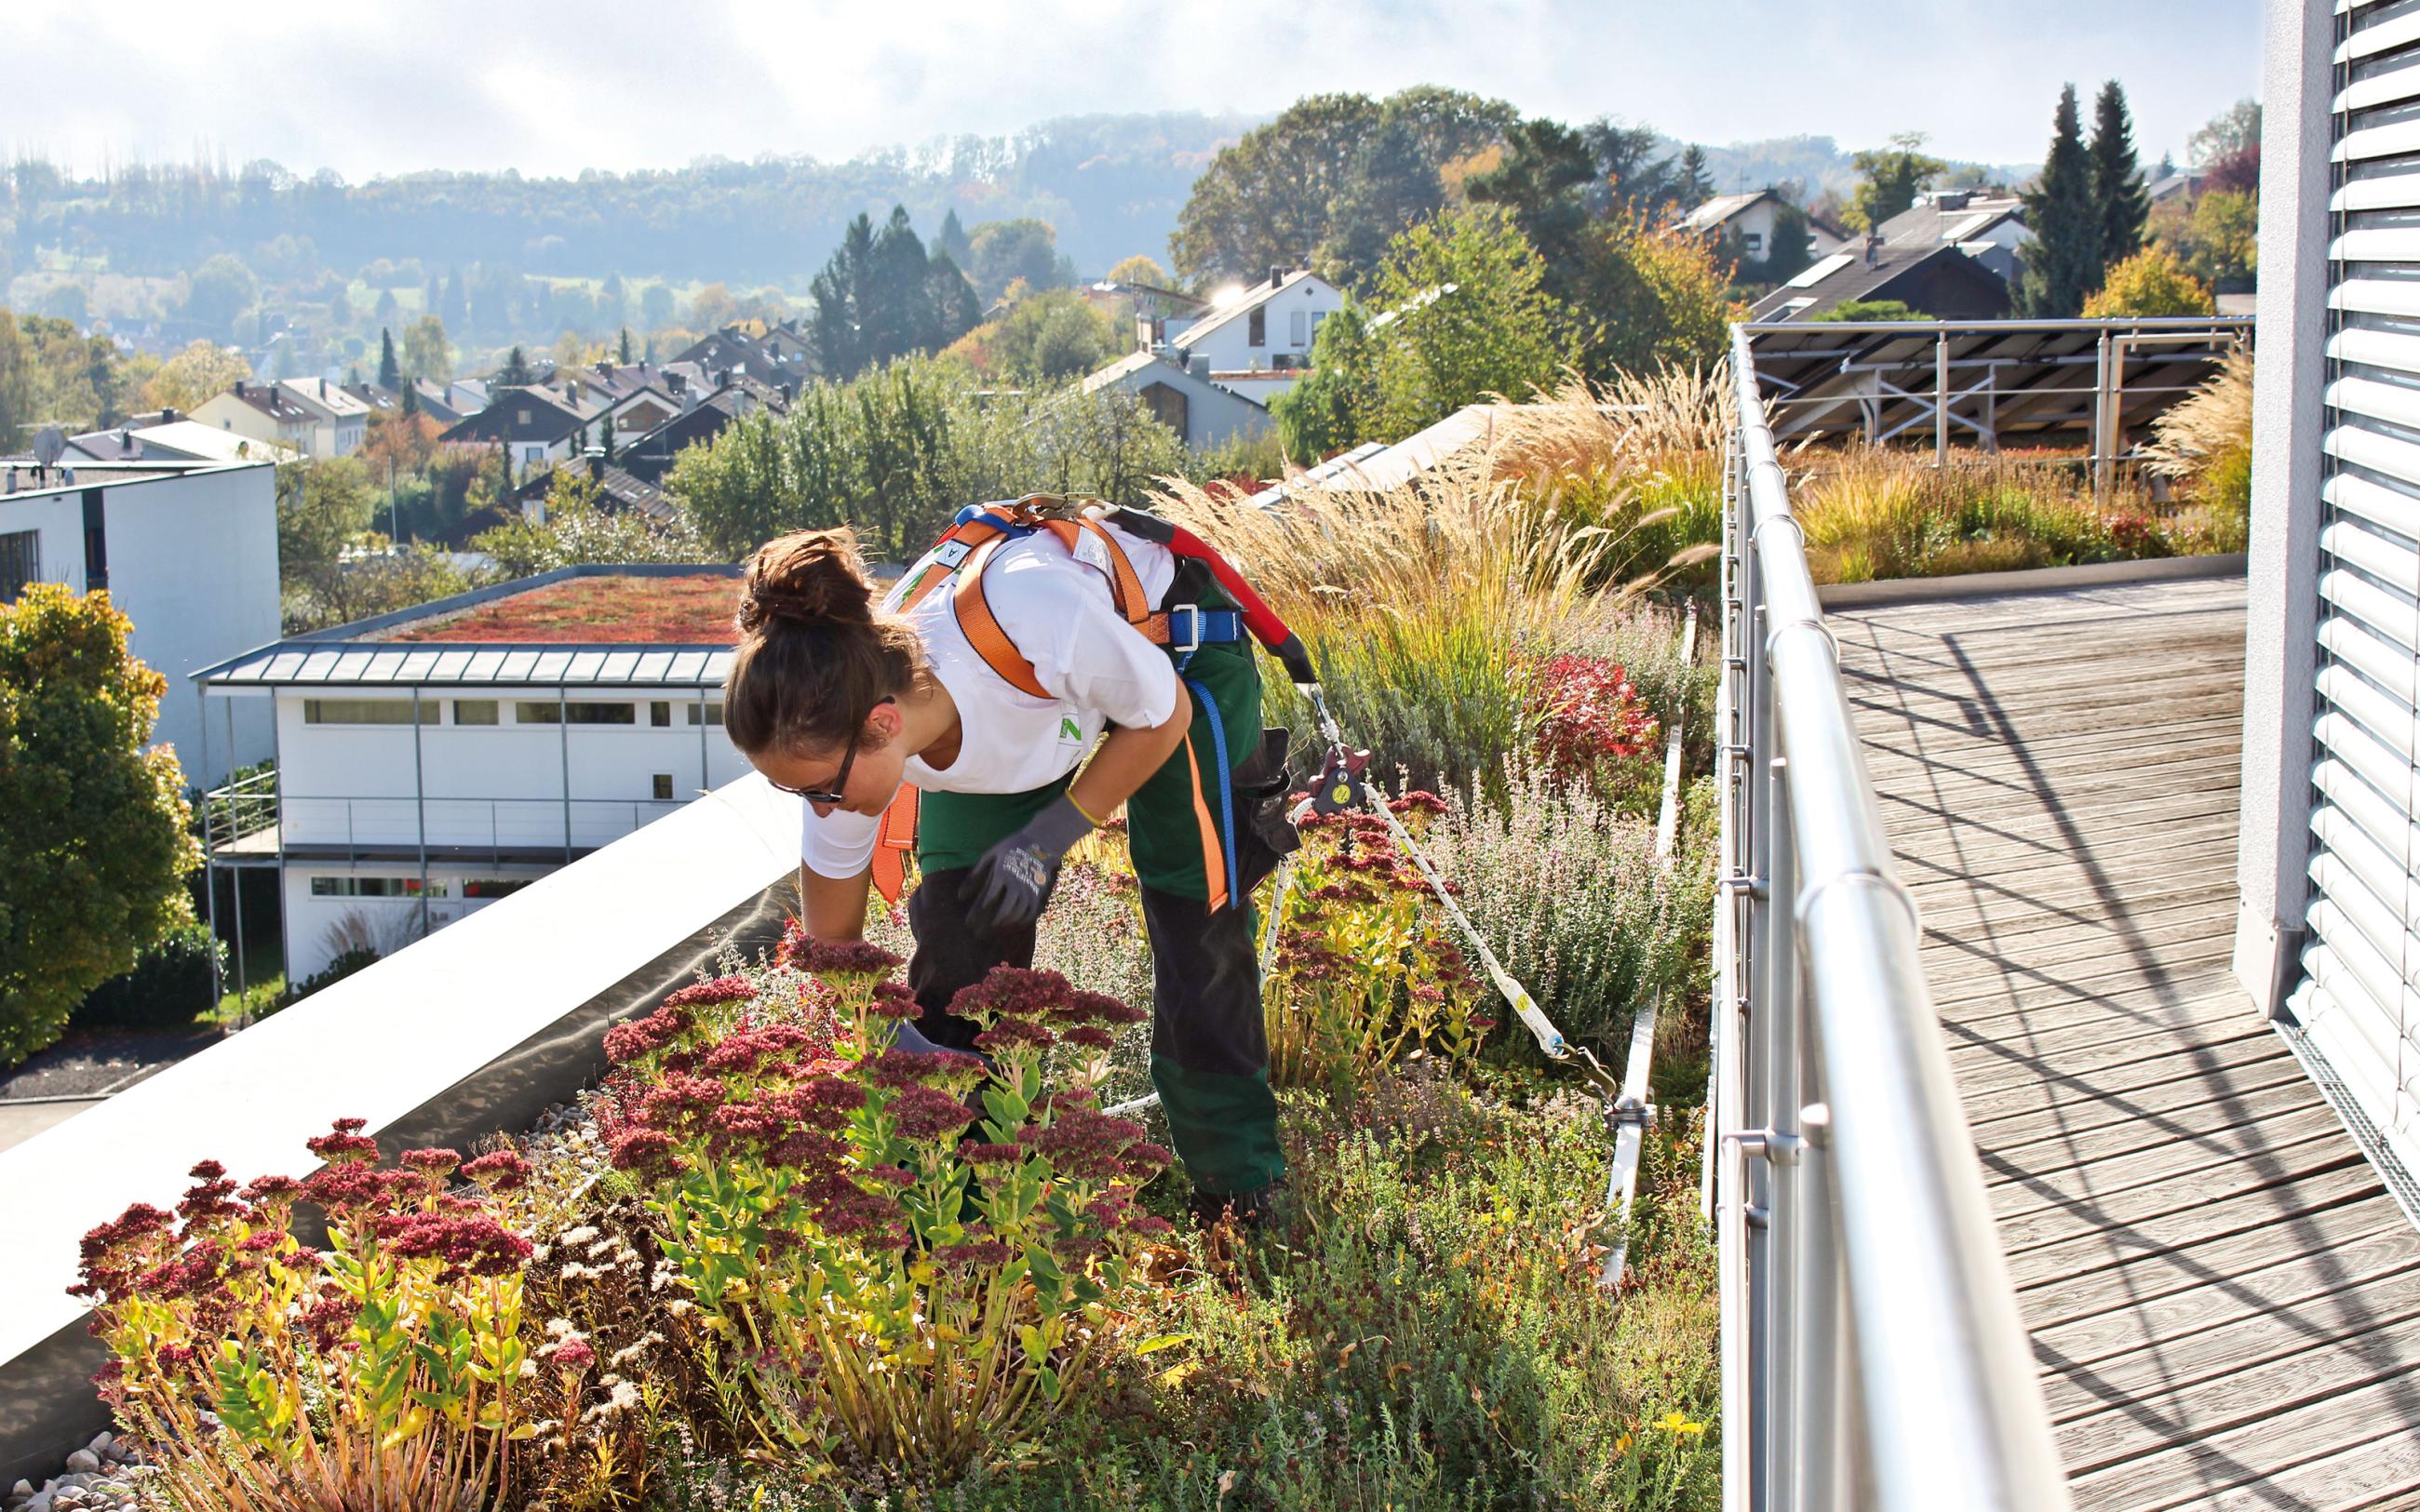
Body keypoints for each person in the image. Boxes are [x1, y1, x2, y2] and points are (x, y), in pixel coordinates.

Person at [722, 522, 1291, 1224]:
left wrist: (1046, 839)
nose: (821, 811)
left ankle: (1238, 1189)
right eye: (797, 793)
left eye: (820, 792)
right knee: (960, 943)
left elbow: (1161, 714)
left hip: (1174, 655)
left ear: (881, 723)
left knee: (1195, 924)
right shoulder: (832, 739)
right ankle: (954, 1223)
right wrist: (887, 1037)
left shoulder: (1033, 614)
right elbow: (833, 954)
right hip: (1038, 715)